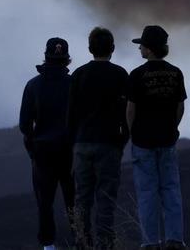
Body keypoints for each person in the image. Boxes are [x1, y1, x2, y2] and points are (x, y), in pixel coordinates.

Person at [127, 25, 189, 250]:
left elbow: (131, 110)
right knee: (171, 189)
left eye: (142, 44)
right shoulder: (176, 73)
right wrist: (172, 128)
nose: (140, 48)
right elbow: (180, 107)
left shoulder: (137, 75)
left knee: (147, 193)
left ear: (150, 49)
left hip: (143, 142)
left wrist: (132, 133)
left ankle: (150, 242)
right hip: (168, 139)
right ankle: (175, 239)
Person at [67, 27, 128, 250]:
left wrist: (74, 143)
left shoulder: (79, 75)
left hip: (82, 144)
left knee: (82, 197)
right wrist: (123, 141)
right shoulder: (121, 75)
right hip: (110, 143)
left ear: (90, 48)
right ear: (112, 48)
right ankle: (105, 244)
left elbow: (70, 115)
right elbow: (127, 113)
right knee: (106, 199)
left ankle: (81, 242)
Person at [19, 37, 76, 250]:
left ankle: (48, 245)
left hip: (43, 152)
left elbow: (25, 124)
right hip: (70, 151)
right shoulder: (74, 84)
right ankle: (79, 240)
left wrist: (32, 146)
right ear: (67, 60)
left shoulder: (33, 85)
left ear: (46, 56)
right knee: (74, 201)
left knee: (45, 202)